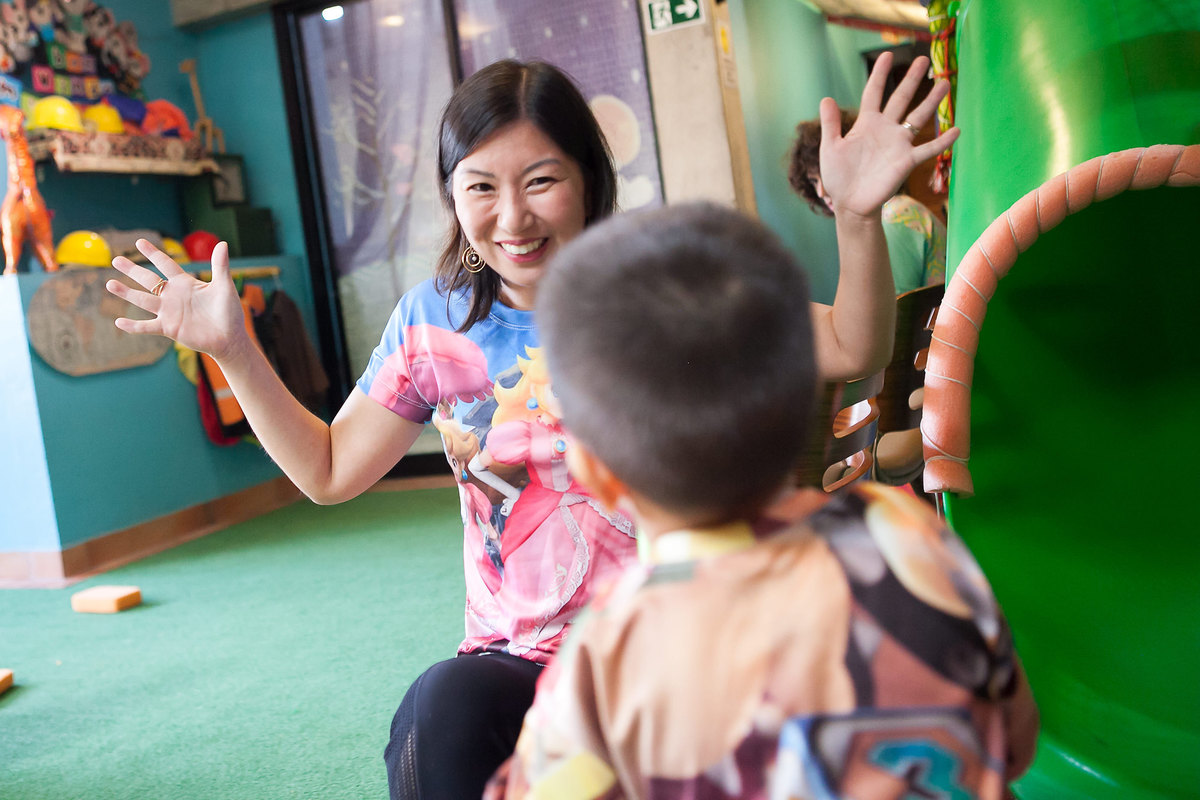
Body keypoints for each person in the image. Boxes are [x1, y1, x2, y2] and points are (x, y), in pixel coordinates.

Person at [104, 53, 956, 800]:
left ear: (588, 179)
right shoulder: (433, 321)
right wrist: (233, 351)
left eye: (540, 180)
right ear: (452, 196)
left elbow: (851, 341)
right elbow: (329, 471)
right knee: (438, 709)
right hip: (521, 661)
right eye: (481, 186)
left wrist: (855, 218)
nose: (512, 218)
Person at [485, 201, 1039, 799]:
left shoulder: (608, 652)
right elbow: (1014, 740)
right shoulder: (910, 532)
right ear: (815, 404)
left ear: (594, 470)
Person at [789, 107, 948, 296]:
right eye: (814, 181)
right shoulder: (888, 215)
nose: (821, 191)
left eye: (824, 174)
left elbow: (895, 315)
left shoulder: (894, 217)